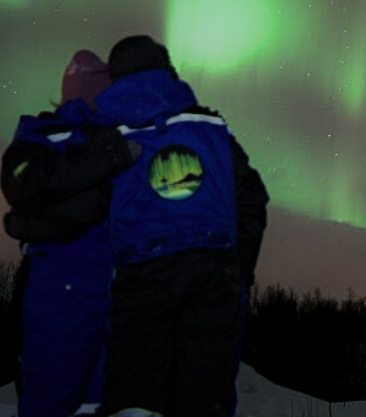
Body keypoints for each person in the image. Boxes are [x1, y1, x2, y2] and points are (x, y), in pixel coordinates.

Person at [93, 35, 268, 417]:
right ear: (166, 70)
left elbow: (90, 207)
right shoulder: (209, 125)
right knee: (204, 398)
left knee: (135, 397)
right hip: (212, 270)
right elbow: (252, 196)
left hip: (142, 273)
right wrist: (239, 270)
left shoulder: (108, 132)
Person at [1, 49, 136, 417]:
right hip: (61, 287)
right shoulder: (47, 135)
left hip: (108, 290)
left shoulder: (119, 141)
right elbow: (21, 184)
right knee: (56, 399)